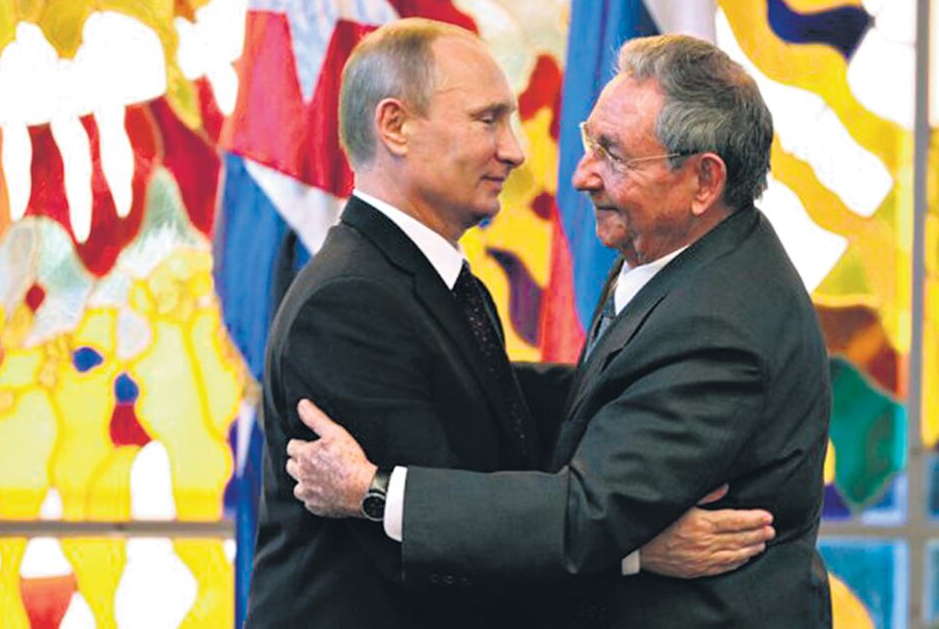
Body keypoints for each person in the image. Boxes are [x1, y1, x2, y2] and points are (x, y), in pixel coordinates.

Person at [286, 33, 832, 628]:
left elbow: (590, 512)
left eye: (614, 155)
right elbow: (605, 393)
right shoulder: (681, 256)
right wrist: (634, 552)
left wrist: (373, 491)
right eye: (590, 142)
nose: (581, 176)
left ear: (703, 181)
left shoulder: (717, 318)